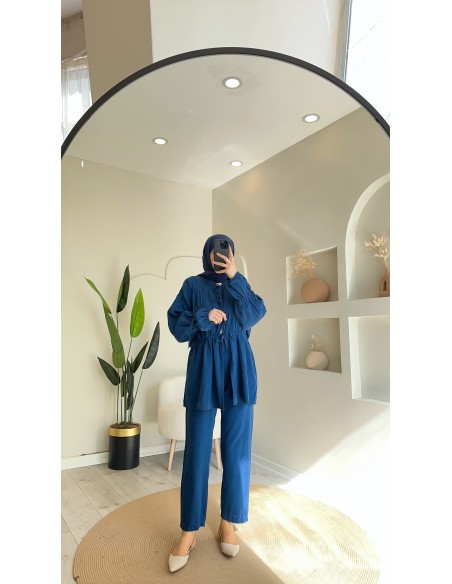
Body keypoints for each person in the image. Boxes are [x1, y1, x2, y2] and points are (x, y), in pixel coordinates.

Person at [166, 233, 267, 573]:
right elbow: (176, 326)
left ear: (232, 254)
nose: (219, 255)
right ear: (206, 254)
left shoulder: (241, 285)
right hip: (204, 370)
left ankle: (228, 523)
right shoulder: (193, 285)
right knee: (196, 451)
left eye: (225, 250)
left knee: (237, 452)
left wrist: (236, 278)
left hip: (239, 369)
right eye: (214, 250)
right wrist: (203, 317)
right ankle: (188, 531)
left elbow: (255, 313)